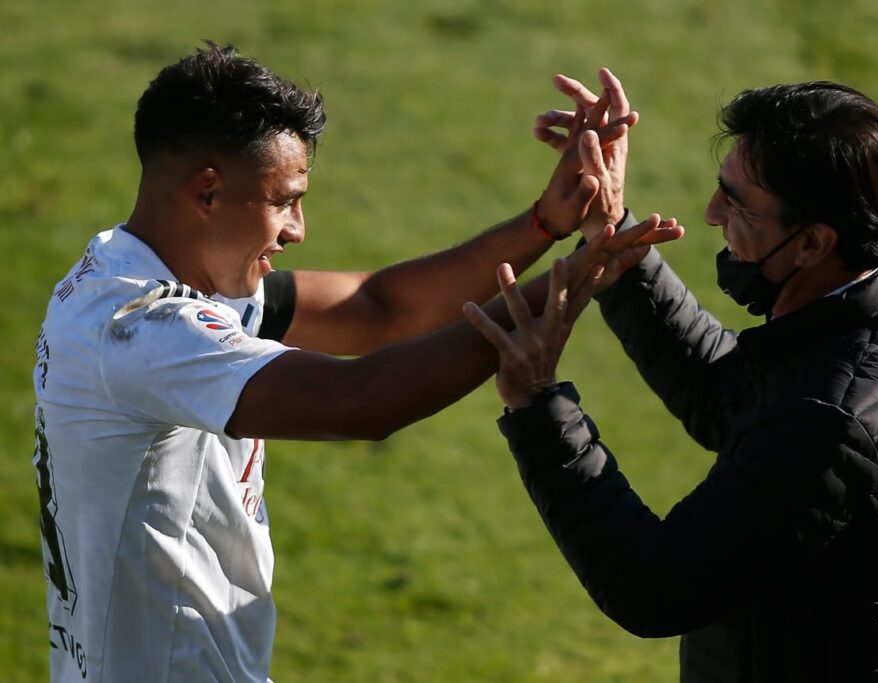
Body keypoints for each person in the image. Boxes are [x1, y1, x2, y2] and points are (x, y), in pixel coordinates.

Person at [31, 42, 681, 682]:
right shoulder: (141, 326)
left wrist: (546, 222)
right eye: (285, 198)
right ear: (208, 193)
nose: (297, 229)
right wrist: (587, 272)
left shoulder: (152, 274)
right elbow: (361, 400)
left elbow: (379, 308)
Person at [467, 80, 878, 681]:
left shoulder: (836, 418)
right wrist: (614, 241)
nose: (710, 214)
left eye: (737, 202)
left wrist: (538, 405)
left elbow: (654, 587)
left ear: (811, 242)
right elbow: (735, 404)